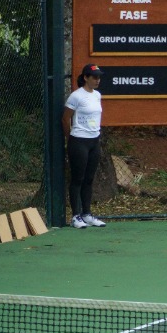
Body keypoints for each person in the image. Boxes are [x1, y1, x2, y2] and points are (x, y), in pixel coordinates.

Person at [63, 63, 107, 229]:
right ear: (86, 78)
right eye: (94, 77)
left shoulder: (97, 95)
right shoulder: (76, 96)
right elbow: (65, 118)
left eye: (99, 77)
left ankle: (87, 214)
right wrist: (70, 139)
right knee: (78, 179)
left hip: (94, 141)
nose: (97, 80)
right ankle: (75, 216)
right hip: (78, 140)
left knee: (89, 179)